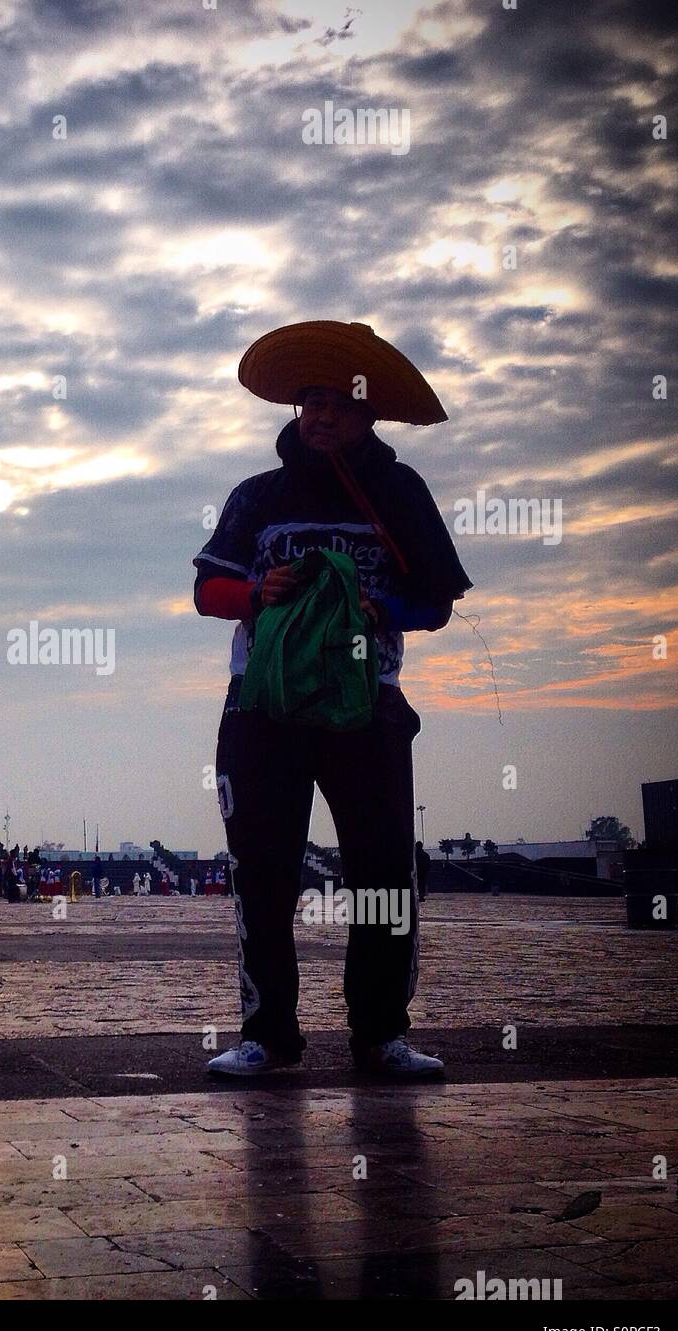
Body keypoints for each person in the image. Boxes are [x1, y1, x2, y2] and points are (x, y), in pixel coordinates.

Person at [195, 321, 471, 1079]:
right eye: (309, 402)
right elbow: (205, 590)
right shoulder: (258, 496)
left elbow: (437, 601)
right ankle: (269, 1038)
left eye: (338, 404)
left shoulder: (398, 491)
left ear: (367, 413)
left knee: (382, 871)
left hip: (368, 708)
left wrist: (387, 609)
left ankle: (381, 1035)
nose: (319, 416)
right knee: (264, 871)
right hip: (263, 707)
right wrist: (257, 591)